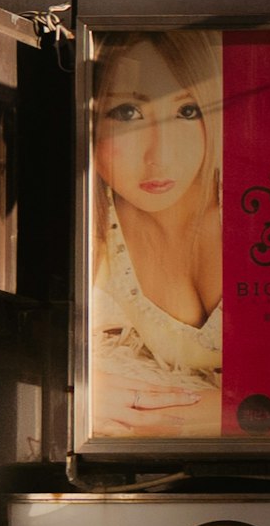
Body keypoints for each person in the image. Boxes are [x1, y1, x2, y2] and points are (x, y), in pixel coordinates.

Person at [83, 30, 224, 438]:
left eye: (187, 112)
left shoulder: (266, 212)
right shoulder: (89, 226)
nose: (159, 155)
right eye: (127, 113)